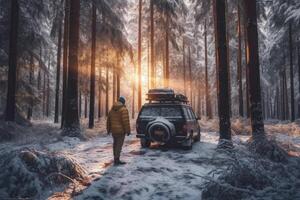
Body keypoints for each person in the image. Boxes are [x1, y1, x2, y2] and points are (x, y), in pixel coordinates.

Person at [107, 96, 131, 165]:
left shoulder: (112, 109)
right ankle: (117, 159)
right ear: (123, 102)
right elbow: (125, 121)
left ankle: (115, 158)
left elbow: (108, 121)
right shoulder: (123, 109)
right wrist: (128, 131)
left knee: (115, 144)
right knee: (119, 145)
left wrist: (108, 130)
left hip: (114, 131)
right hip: (121, 131)